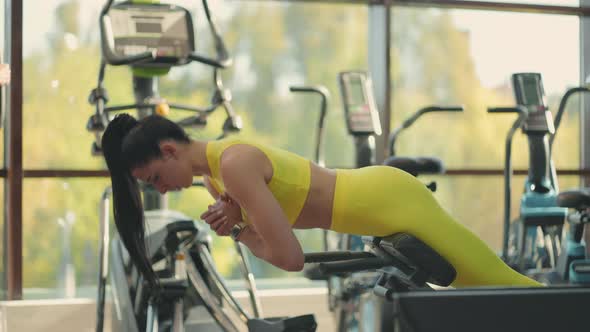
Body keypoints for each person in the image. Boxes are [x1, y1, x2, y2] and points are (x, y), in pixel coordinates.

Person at [102, 113, 543, 290]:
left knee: (504, 287)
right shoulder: (216, 181)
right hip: (377, 212)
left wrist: (238, 231)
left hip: (390, 198)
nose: (160, 191)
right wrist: (238, 228)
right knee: (482, 293)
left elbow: (290, 257)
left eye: (155, 179)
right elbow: (274, 246)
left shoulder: (232, 165)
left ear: (168, 150)